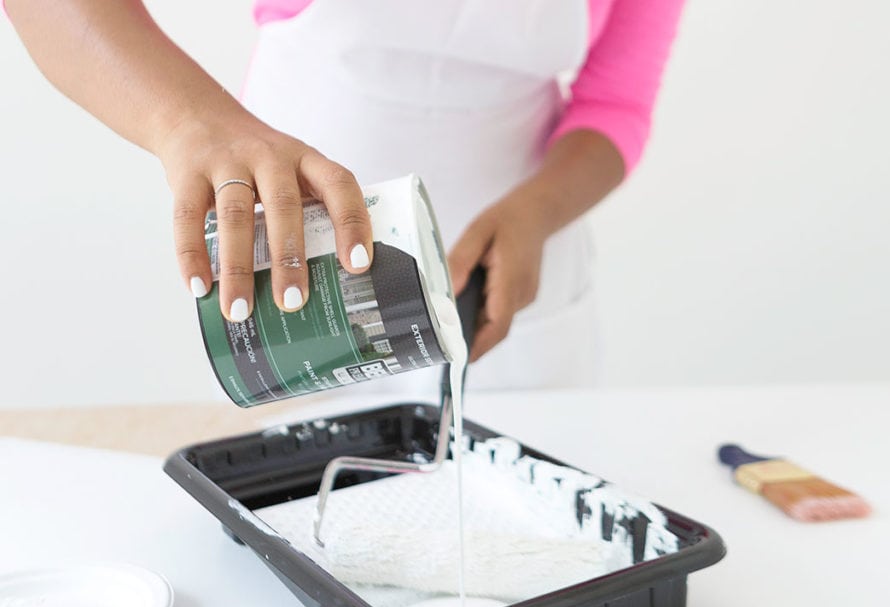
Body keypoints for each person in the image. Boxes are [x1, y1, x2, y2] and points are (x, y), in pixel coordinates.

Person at [7, 0, 685, 391]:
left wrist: (538, 212)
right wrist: (187, 121)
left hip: (515, 261)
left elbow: (616, 102)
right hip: (293, 247)